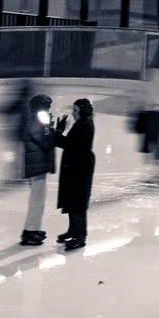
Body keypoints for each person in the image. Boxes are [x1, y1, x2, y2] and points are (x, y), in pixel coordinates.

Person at [55, 98, 96, 249]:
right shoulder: (81, 124)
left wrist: (58, 131)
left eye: (75, 111)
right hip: (75, 167)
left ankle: (80, 236)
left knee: (78, 203)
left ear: (83, 111)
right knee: (72, 200)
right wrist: (59, 131)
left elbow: (67, 144)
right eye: (73, 110)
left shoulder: (84, 126)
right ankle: (73, 230)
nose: (73, 113)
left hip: (80, 168)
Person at [17, 92, 58, 245]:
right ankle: (29, 232)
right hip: (37, 166)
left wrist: (50, 128)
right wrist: (53, 130)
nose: (49, 109)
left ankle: (33, 229)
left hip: (38, 165)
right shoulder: (36, 120)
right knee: (37, 200)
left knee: (38, 200)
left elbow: (44, 136)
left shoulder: (38, 120)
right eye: (47, 107)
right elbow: (46, 143)